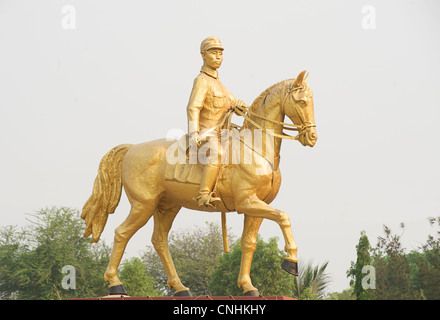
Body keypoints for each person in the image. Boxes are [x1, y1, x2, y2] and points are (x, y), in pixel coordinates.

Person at [187, 36, 246, 207]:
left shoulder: (219, 84)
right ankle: (204, 194)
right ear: (203, 55)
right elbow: (193, 108)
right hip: (207, 132)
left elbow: (235, 104)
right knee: (217, 153)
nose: (218, 56)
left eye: (220, 53)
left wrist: (239, 105)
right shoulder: (202, 81)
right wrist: (193, 133)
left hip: (223, 133)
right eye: (214, 52)